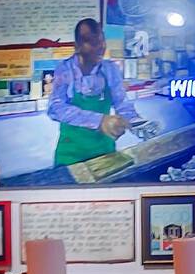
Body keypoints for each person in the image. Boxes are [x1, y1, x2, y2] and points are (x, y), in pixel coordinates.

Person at [47, 18, 140, 166]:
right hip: (71, 154)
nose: (99, 47)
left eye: (101, 40)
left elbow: (122, 103)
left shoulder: (111, 69)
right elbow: (55, 108)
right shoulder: (64, 70)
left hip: (104, 151)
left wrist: (136, 122)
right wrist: (100, 121)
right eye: (90, 41)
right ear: (77, 45)